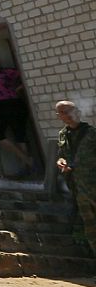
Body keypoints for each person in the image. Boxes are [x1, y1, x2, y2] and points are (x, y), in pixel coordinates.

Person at [54, 100, 94, 251]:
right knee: (91, 228)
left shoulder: (91, 133)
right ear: (59, 116)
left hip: (92, 183)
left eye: (72, 110)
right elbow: (62, 155)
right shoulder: (63, 135)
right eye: (64, 112)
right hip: (79, 188)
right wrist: (61, 162)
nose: (69, 115)